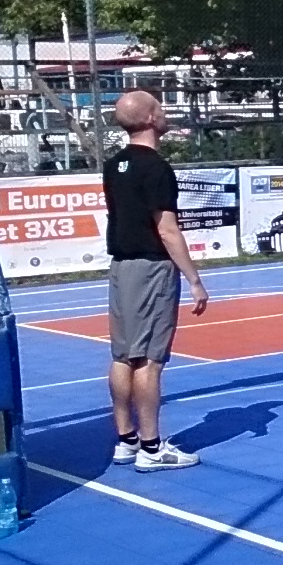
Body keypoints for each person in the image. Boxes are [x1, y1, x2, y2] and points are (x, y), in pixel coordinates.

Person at [104, 90, 209, 472]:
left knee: (121, 355)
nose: (165, 114)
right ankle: (151, 447)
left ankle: (126, 439)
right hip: (150, 267)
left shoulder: (114, 165)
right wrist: (194, 279)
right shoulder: (156, 168)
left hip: (120, 266)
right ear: (150, 118)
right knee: (149, 360)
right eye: (161, 108)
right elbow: (167, 229)